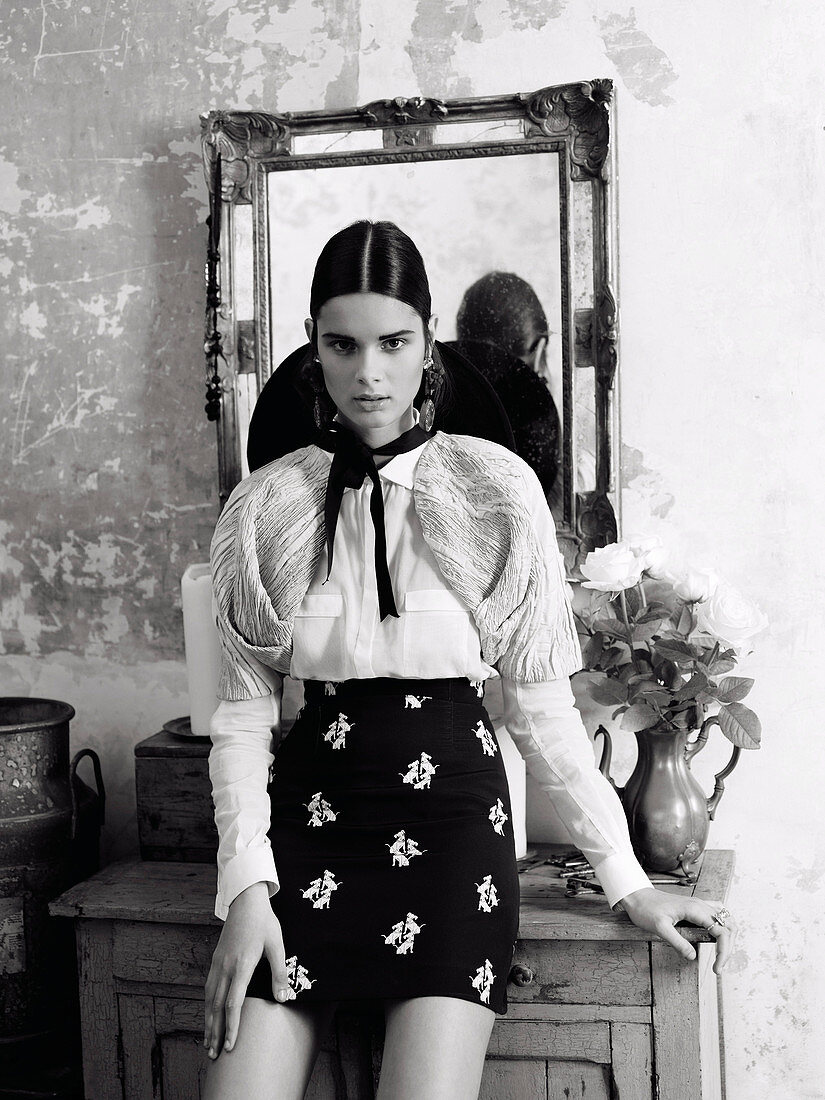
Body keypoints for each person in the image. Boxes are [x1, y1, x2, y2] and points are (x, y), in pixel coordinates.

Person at [202, 221, 735, 1100]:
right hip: (305, 822)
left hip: (452, 825)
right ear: (313, 345)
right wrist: (244, 888)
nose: (368, 372)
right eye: (342, 344)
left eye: (392, 342)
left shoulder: (497, 489)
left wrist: (627, 880)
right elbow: (241, 718)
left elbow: (540, 711)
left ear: (427, 336)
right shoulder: (264, 506)